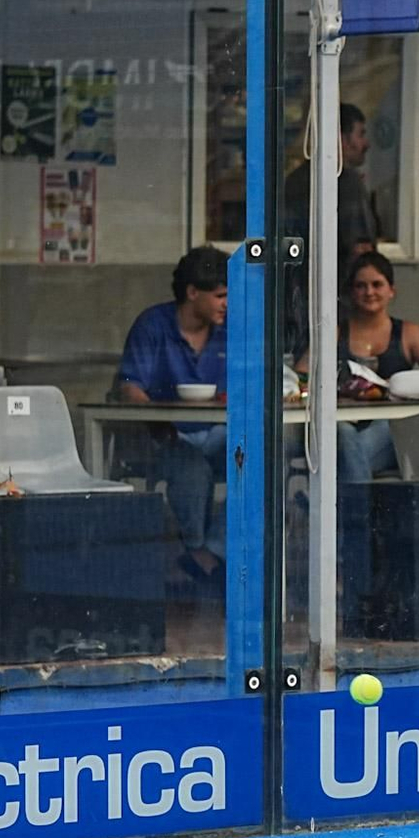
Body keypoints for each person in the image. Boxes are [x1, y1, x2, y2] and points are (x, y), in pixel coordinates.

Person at [116, 245, 230, 589]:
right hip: (168, 437)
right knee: (191, 467)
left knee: (262, 461)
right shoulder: (153, 325)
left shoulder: (232, 329)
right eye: (221, 295)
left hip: (222, 432)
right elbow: (130, 388)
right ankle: (196, 550)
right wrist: (158, 421)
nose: (227, 304)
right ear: (193, 293)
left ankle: (214, 551)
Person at [304, 251, 419, 482]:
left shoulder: (408, 333)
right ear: (351, 292)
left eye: (377, 284)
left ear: (391, 290)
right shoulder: (335, 332)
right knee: (343, 433)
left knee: (353, 448)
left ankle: (347, 512)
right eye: (361, 286)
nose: (369, 292)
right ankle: (361, 513)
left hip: (393, 430)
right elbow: (301, 375)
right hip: (341, 424)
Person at [284, 102, 379, 261]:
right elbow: (361, 250)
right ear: (341, 137)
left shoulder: (295, 180)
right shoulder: (348, 183)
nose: (366, 144)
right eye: (360, 134)